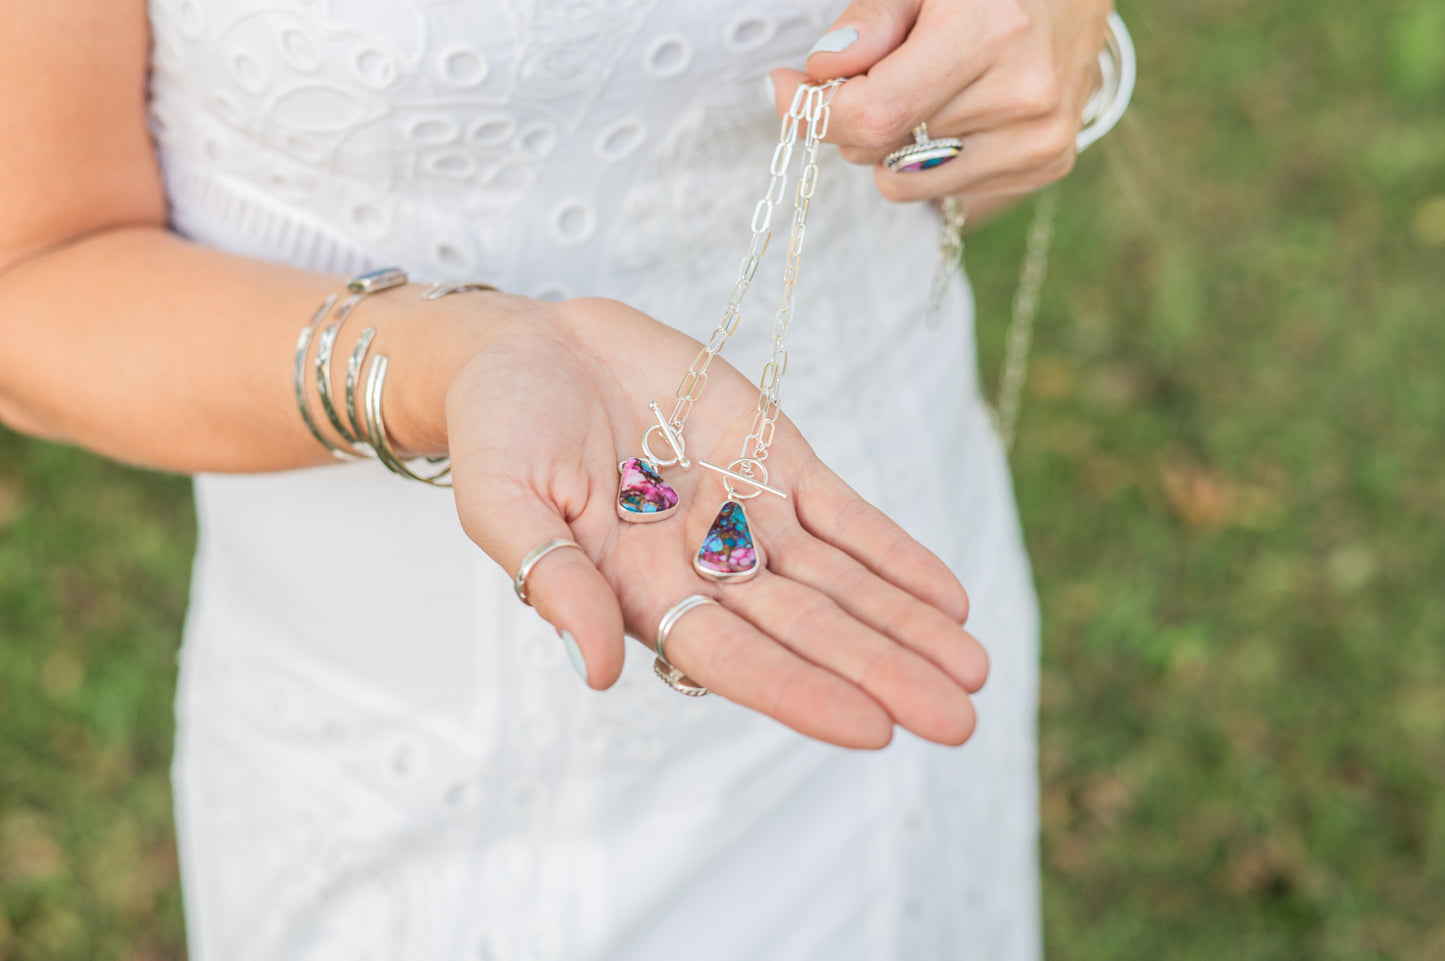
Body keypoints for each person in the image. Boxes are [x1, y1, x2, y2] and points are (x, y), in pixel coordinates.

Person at [0, 0, 1117, 957]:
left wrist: (1047, 46)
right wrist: (450, 362)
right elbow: (33, 275)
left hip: (875, 561)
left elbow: (931, 157)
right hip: (421, 746)